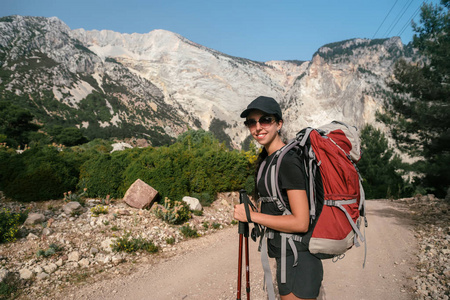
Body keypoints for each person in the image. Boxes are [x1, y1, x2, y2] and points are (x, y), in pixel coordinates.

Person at [234, 96, 323, 300]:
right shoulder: (268, 160)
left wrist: (251, 217)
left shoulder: (288, 161)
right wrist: (256, 211)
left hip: (299, 260)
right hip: (286, 256)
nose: (258, 127)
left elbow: (300, 222)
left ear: (279, 124)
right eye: (251, 122)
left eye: (265, 120)